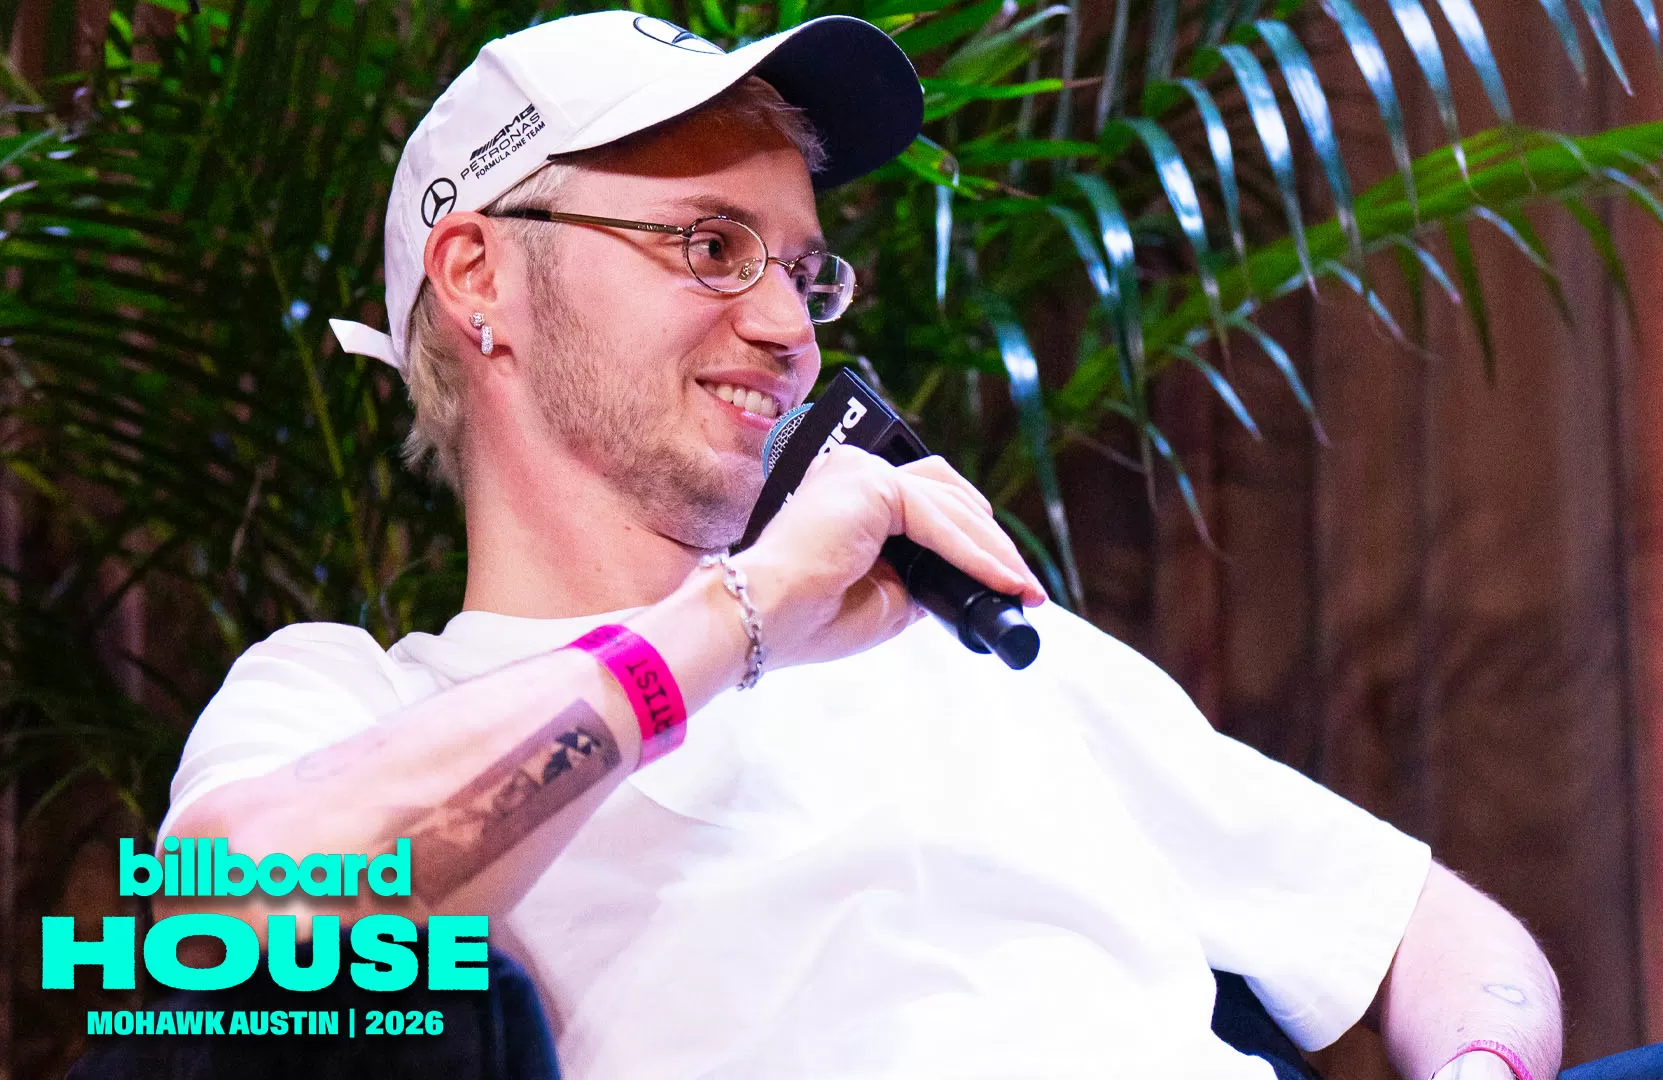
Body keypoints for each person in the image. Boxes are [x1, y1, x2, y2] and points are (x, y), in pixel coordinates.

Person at [155, 12, 1563, 1080]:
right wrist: (747, 609)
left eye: (802, 268)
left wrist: (1484, 1066)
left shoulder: (972, 643)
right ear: (480, 278)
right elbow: (246, 918)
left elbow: (1422, 925)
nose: (790, 330)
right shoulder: (349, 699)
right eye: (712, 247)